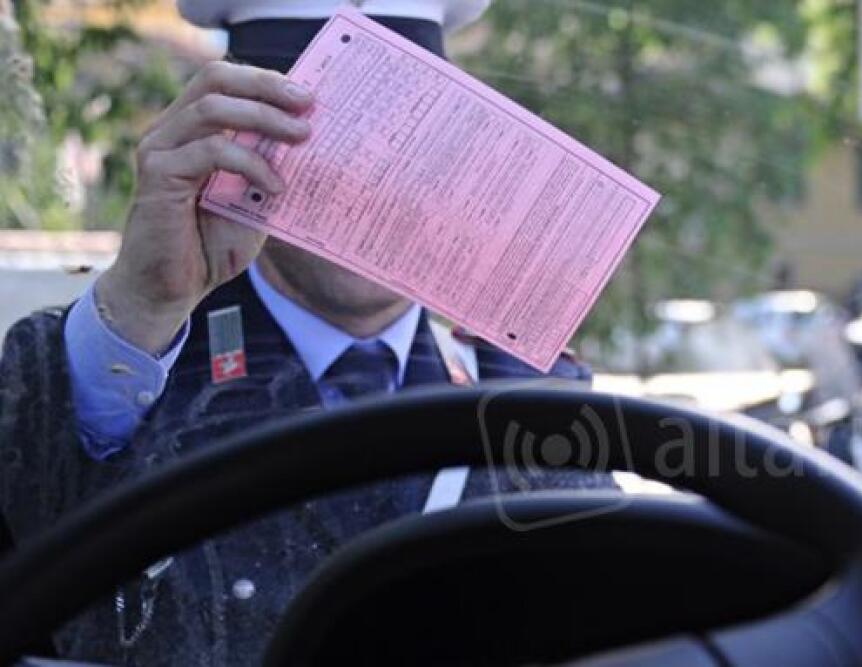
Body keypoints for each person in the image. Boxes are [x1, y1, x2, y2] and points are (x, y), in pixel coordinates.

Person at [0, 2, 607, 664]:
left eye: (409, 127)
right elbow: (32, 487)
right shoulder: (132, 359)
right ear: (227, 135)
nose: (364, 172)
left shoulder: (521, 383)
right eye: (307, 124)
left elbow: (617, 615)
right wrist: (144, 301)